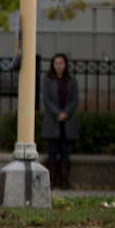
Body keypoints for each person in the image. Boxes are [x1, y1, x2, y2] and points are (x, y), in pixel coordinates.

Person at [40, 53, 79, 190]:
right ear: (52, 65)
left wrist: (65, 113)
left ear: (65, 65)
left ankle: (64, 180)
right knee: (52, 152)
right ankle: (51, 181)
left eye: (61, 63)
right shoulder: (48, 80)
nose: (59, 66)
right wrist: (57, 113)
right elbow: (46, 100)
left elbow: (74, 100)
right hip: (53, 121)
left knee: (65, 152)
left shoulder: (71, 81)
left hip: (67, 122)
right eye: (56, 63)